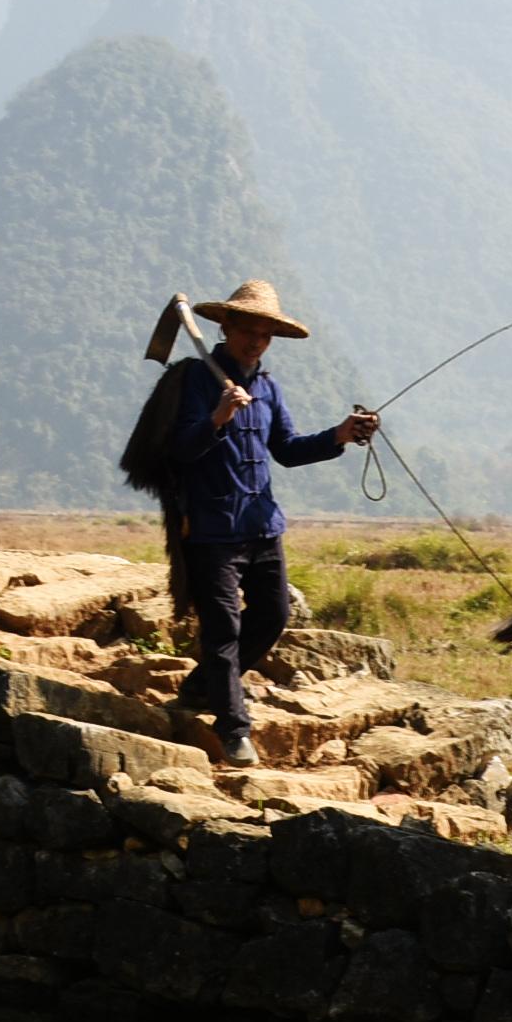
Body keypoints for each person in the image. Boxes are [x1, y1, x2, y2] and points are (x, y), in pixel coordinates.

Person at [161, 280, 375, 765]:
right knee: (221, 630)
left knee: (274, 615)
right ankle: (234, 729)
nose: (255, 341)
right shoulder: (195, 379)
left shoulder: (267, 386)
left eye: (264, 334)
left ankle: (200, 687)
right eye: (247, 331)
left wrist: (339, 434)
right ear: (226, 327)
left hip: (262, 527)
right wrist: (216, 418)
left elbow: (286, 450)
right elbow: (177, 450)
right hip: (213, 528)